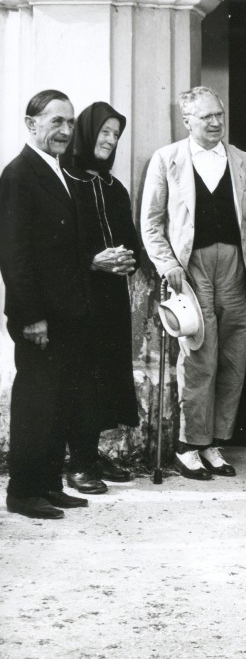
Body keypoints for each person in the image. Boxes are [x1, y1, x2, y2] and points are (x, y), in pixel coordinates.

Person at [140, 86, 246, 481]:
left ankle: (213, 442)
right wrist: (167, 264)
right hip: (191, 267)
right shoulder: (167, 159)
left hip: (234, 267)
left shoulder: (240, 159)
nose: (215, 123)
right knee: (199, 355)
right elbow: (151, 223)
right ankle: (187, 445)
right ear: (187, 120)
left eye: (219, 115)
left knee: (232, 356)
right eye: (206, 116)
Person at [0, 90, 107, 518]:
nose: (65, 130)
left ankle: (48, 484)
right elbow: (14, 255)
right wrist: (31, 317)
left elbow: (60, 248)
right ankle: (23, 492)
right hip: (40, 318)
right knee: (36, 405)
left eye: (70, 121)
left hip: (68, 313)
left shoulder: (57, 170)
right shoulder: (19, 174)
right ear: (31, 124)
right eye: (55, 121)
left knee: (60, 403)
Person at [59, 102, 139, 489]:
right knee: (81, 377)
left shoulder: (113, 187)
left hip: (111, 297)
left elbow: (130, 239)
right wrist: (93, 261)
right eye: (104, 132)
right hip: (78, 296)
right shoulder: (64, 182)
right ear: (88, 133)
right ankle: (78, 463)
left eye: (116, 135)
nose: (110, 140)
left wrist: (128, 260)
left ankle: (91, 454)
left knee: (106, 375)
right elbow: (54, 246)